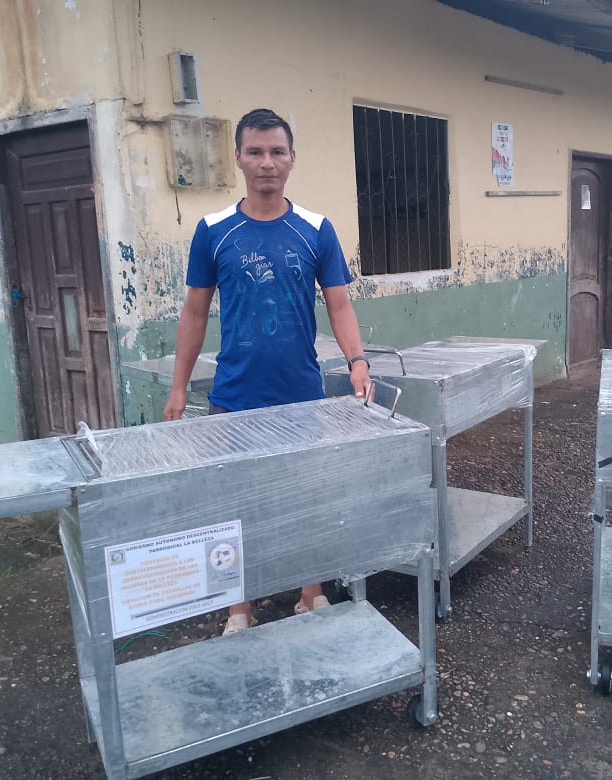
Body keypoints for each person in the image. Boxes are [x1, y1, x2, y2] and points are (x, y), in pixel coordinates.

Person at [163, 107, 371, 634]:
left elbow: (340, 305)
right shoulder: (213, 232)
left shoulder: (316, 230)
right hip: (235, 395)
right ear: (238, 158)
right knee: (236, 504)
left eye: (277, 151)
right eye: (255, 152)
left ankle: (309, 592)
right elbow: (194, 312)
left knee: (305, 497)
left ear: (292, 158)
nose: (266, 163)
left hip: (301, 393)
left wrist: (358, 362)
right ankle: (240, 606)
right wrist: (179, 386)